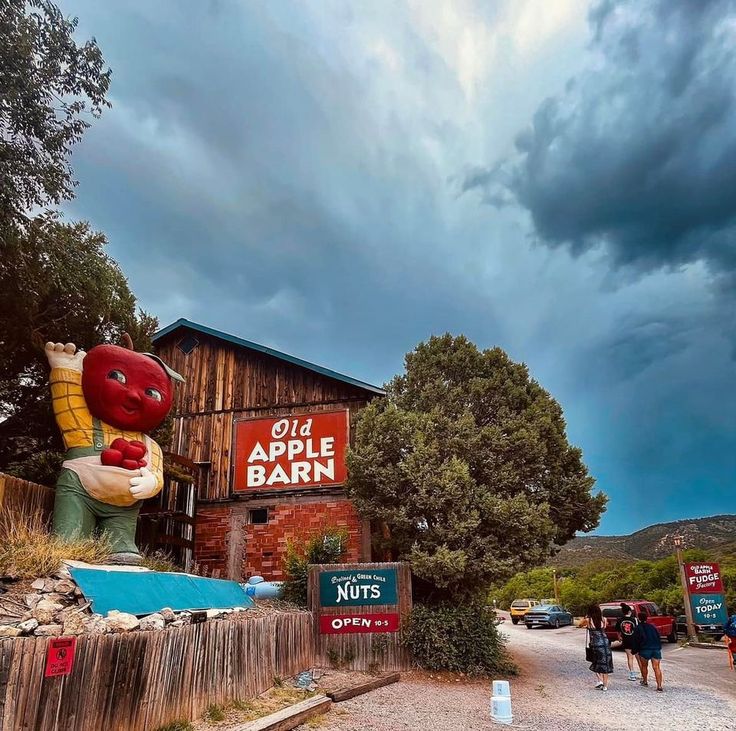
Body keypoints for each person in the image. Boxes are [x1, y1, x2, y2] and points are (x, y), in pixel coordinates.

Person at [583, 604, 613, 691]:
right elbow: (605, 627)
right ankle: (605, 686)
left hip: (595, 644)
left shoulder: (588, 620)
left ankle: (599, 680)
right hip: (606, 643)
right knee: (605, 663)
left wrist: (586, 617)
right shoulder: (604, 619)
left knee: (595, 662)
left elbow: (580, 624)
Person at [632, 611, 664, 691]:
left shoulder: (638, 628)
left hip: (645, 649)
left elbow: (636, 640)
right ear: (647, 618)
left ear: (638, 619)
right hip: (655, 648)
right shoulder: (652, 627)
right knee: (656, 667)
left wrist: (634, 650)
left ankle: (645, 681)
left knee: (644, 666)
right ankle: (659, 686)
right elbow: (658, 637)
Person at [615, 603, 639, 681]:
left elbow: (618, 631)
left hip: (626, 640)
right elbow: (638, 629)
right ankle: (643, 673)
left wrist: (619, 637)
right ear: (629, 611)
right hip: (635, 640)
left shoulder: (620, 620)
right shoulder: (634, 619)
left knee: (629, 657)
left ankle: (632, 674)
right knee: (638, 657)